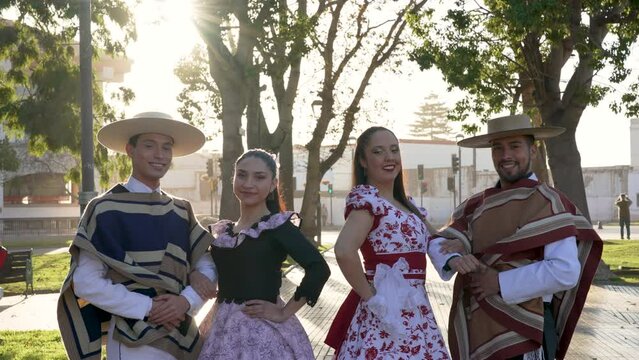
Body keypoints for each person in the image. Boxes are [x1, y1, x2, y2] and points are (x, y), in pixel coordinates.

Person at [433, 114, 603, 360]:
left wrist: (499, 282)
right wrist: (456, 257)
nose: (505, 156)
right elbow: (438, 242)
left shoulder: (549, 202)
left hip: (525, 332)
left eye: (514, 146)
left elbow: (565, 271)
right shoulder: (477, 205)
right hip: (478, 327)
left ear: (533, 151)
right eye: (498, 148)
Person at [57, 112, 217, 360]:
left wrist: (185, 302)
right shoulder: (104, 209)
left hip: (182, 333)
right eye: (149, 146)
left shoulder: (181, 210)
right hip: (131, 341)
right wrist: (148, 307)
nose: (159, 155)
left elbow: (206, 264)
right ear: (130, 149)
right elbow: (86, 282)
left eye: (166, 147)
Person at [325, 126, 459, 360]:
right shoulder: (368, 202)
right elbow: (344, 251)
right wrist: (372, 298)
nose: (389, 157)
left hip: (416, 311)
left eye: (394, 150)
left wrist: (462, 244)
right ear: (363, 161)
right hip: (384, 313)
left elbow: (435, 239)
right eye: (378, 151)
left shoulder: (408, 205)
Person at [196, 148, 331, 360]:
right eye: (242, 175)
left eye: (259, 177)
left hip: (263, 332)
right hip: (220, 328)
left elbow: (319, 268)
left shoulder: (277, 226)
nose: (248, 183)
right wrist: (194, 275)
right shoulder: (224, 231)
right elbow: (205, 266)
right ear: (233, 178)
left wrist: (284, 312)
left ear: (273, 184)